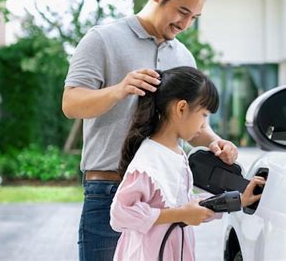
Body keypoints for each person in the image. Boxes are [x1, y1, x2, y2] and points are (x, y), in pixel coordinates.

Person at [62, 0, 238, 261]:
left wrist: (214, 142)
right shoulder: (102, 39)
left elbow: (189, 122)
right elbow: (71, 104)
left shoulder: (184, 57)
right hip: (108, 191)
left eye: (194, 17)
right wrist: (120, 90)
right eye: (182, 11)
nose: (185, 24)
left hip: (165, 198)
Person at [109, 66, 265, 261]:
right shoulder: (148, 161)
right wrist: (180, 214)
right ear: (181, 108)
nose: (204, 125)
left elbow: (186, 203)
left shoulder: (177, 154)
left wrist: (239, 201)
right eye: (204, 115)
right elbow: (120, 214)